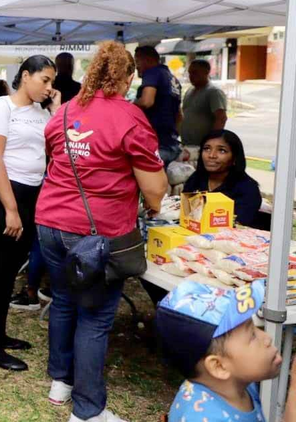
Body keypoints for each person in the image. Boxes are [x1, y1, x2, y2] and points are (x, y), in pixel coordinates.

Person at [36, 41, 168, 422]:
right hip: (97, 232)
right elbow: (156, 189)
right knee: (94, 317)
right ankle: (88, 410)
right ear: (127, 78)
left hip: (50, 221)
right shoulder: (129, 117)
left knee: (63, 299)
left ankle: (60, 381)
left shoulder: (64, 112)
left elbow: (54, 157)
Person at [0, 55, 58, 371]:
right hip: (6, 196)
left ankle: (0, 334)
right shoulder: (1, 107)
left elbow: (51, 151)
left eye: (52, 82)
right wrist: (11, 209)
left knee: (11, 270)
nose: (49, 87)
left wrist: (54, 110)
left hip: (32, 196)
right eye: (45, 80)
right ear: (26, 76)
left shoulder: (41, 112)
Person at [156, 280, 294, 422]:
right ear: (219, 366)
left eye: (256, 329)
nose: (267, 338)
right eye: (252, 336)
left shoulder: (239, 384)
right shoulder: (205, 417)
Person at [183, 130, 262, 229]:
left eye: (222, 150)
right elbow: (186, 213)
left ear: (234, 158)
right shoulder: (196, 179)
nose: (211, 155)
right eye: (207, 149)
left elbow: (238, 225)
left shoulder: (248, 189)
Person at [134, 45, 183, 166]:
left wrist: (130, 105)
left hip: (156, 145)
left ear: (149, 60)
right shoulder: (173, 80)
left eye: (137, 61)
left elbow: (147, 101)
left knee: (149, 184)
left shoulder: (152, 72)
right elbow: (180, 115)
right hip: (172, 145)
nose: (136, 67)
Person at [182, 59, 228, 153]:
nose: (191, 76)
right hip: (187, 146)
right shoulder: (189, 91)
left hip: (202, 147)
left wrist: (211, 143)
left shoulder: (214, 92)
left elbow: (221, 118)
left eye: (195, 73)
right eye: (190, 73)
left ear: (206, 72)